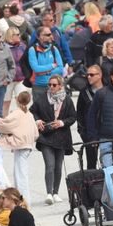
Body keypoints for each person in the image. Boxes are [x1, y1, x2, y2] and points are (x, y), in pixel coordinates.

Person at [0, 90, 39, 207]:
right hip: (27, 146)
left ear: (17, 99)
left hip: (21, 146)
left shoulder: (17, 113)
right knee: (20, 174)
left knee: (20, 176)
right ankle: (21, 201)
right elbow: (35, 132)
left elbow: (4, 124)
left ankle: (24, 203)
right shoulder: (29, 114)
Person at [32, 74, 76, 205]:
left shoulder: (67, 100)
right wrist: (38, 120)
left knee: (58, 166)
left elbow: (73, 117)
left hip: (61, 137)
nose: (51, 87)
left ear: (60, 86)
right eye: (49, 85)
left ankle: (56, 192)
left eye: (54, 85)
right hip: (46, 136)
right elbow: (32, 111)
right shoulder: (42, 98)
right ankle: (49, 193)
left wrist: (62, 122)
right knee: (49, 165)